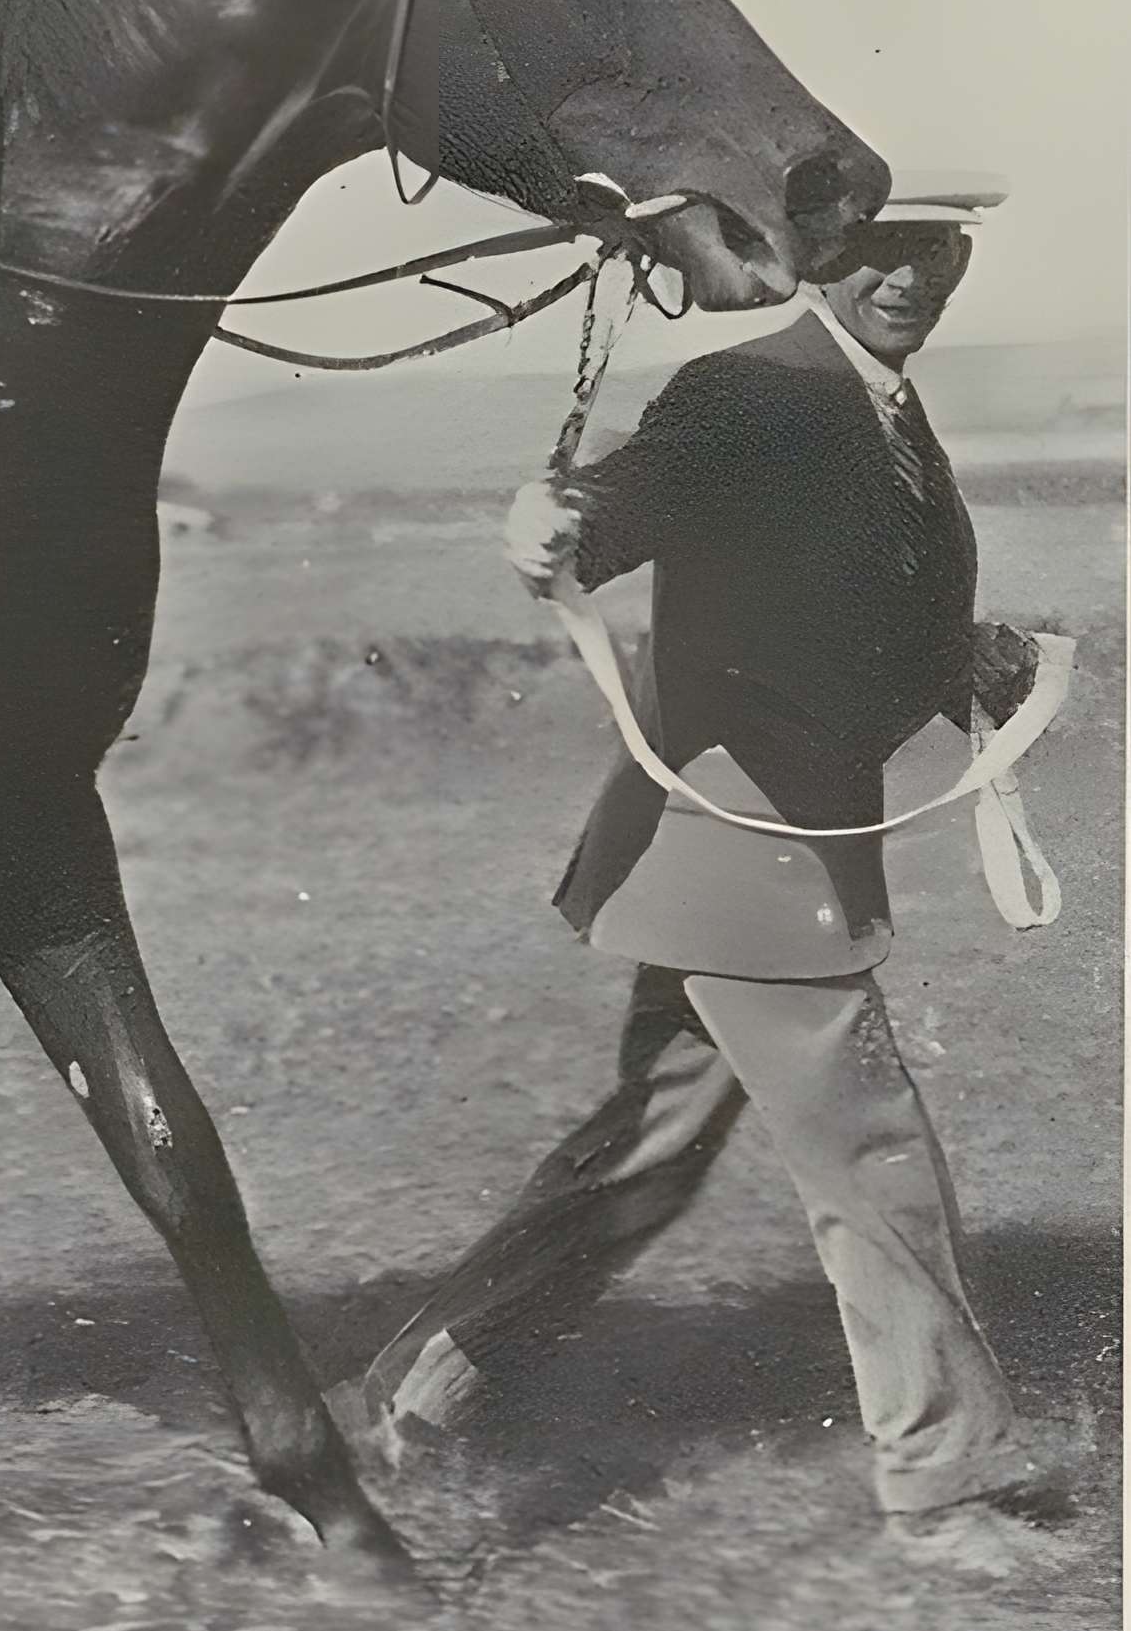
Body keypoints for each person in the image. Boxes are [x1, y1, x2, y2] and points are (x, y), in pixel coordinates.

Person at [348, 193, 1063, 1560]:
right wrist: (560, 521)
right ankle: (946, 1491)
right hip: (744, 845)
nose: (905, 274)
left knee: (645, 1158)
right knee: (874, 1158)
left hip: (763, 845)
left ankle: (417, 1398)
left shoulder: (874, 400)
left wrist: (963, 660)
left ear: (963, 256)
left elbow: (833, 592)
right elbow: (632, 499)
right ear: (815, 254)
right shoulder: (752, 389)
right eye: (875, 243)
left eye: (933, 246)